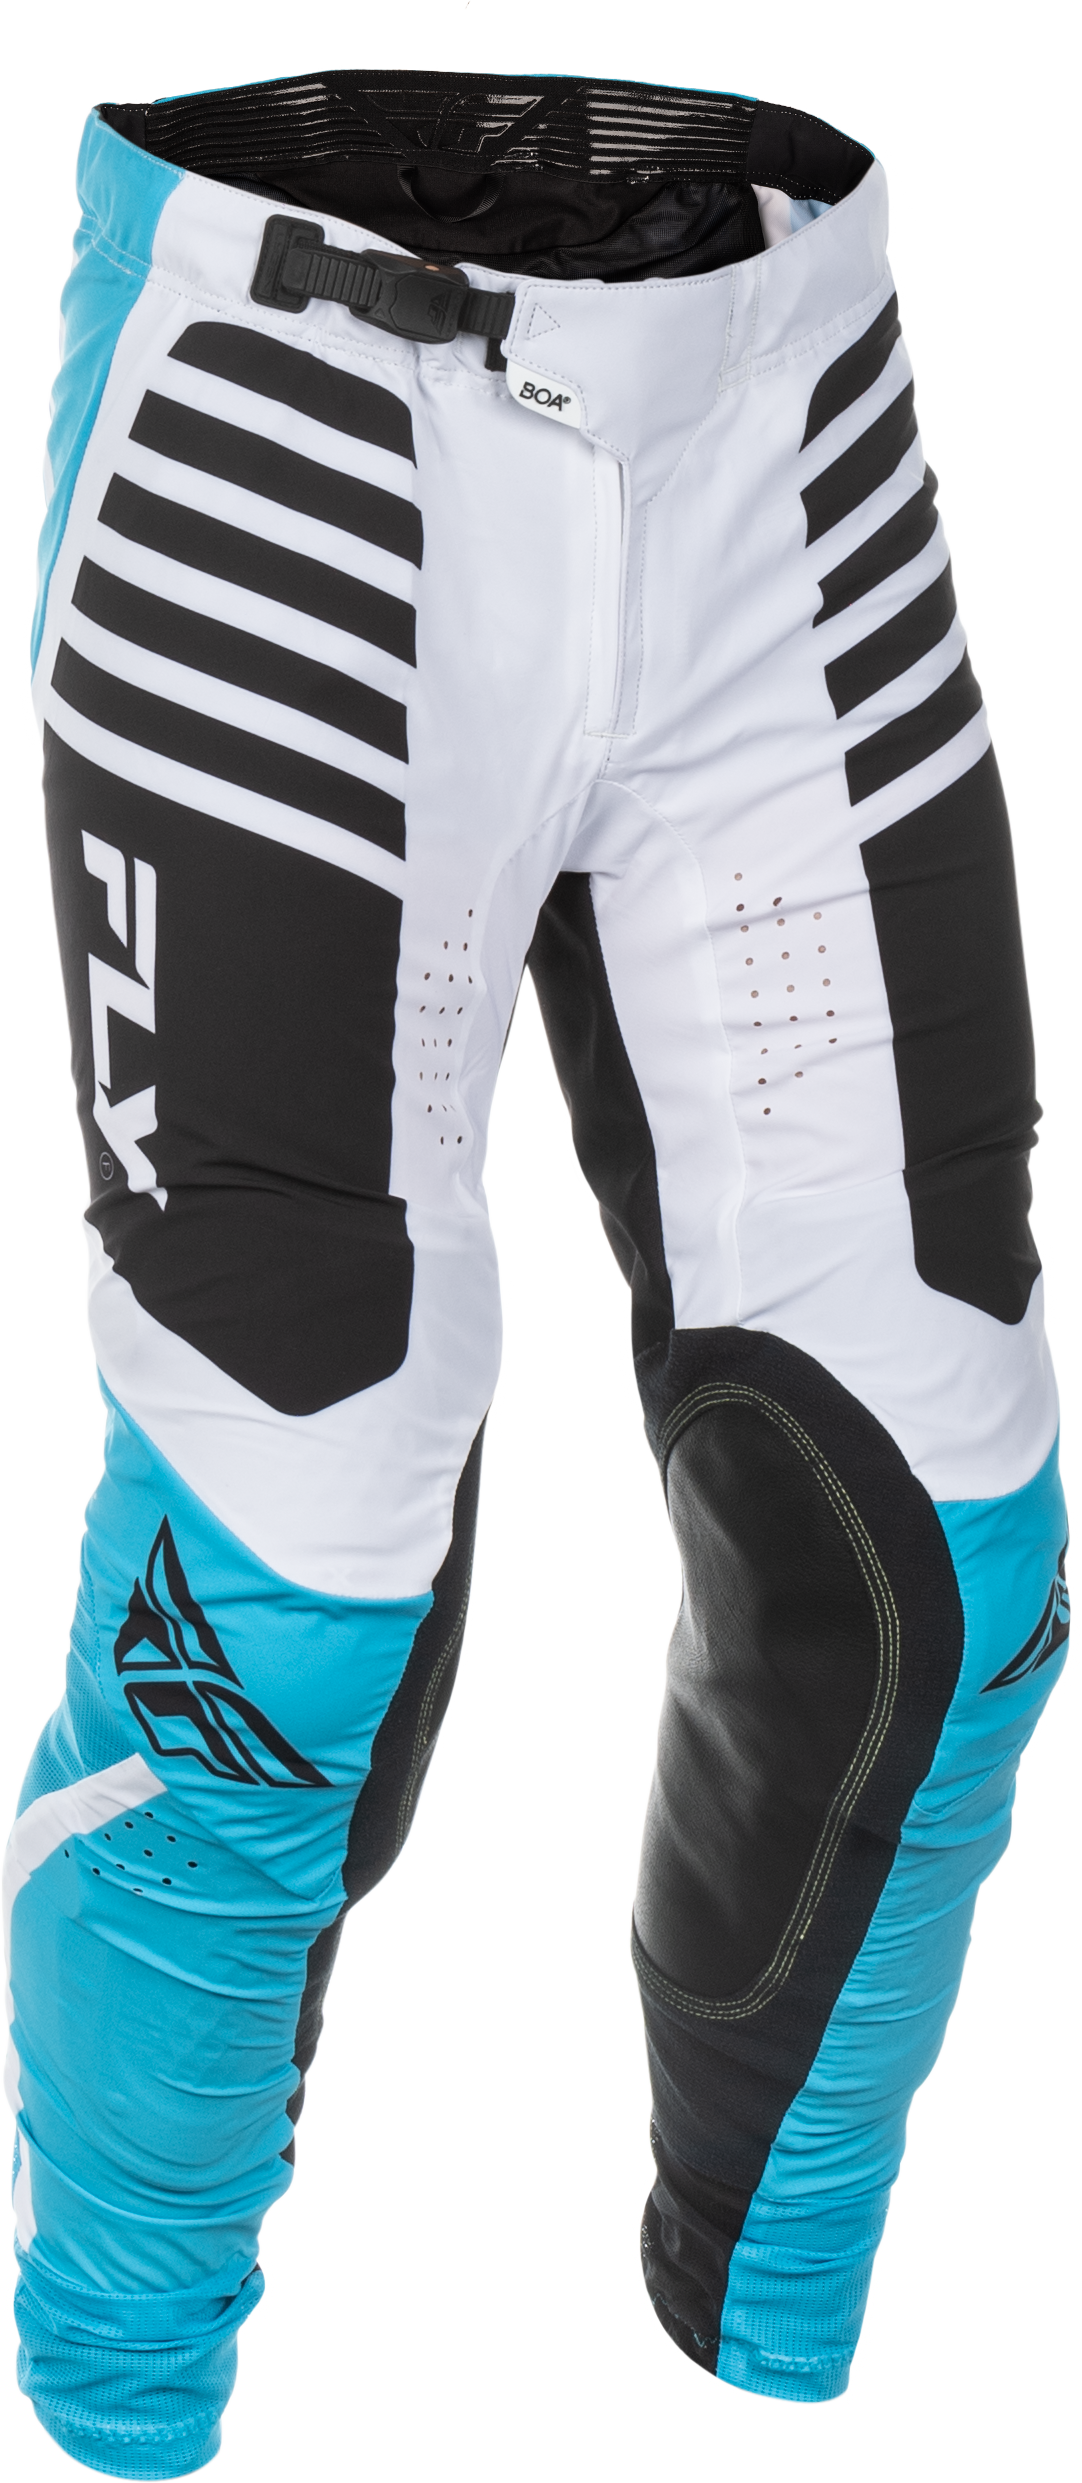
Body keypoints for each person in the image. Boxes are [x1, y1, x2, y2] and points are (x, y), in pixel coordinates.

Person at [7, 68, 1067, 2483]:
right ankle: (115, 2409)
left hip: (779, 399)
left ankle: (767, 2396)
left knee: (943, 1542)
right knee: (275, 1582)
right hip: (287, 420)